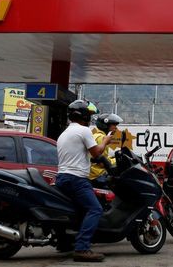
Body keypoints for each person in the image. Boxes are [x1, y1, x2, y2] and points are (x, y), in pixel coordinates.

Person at [55, 100, 113, 262]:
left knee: (77, 210)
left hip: (62, 178)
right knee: (95, 209)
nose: (90, 118)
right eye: (89, 115)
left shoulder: (65, 133)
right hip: (77, 179)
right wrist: (105, 141)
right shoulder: (83, 131)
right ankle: (82, 248)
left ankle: (65, 242)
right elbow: (97, 153)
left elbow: (80, 155)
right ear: (84, 115)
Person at [89, 113, 123, 189]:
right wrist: (117, 161)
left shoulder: (96, 135)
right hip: (98, 176)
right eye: (114, 125)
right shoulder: (102, 138)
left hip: (92, 174)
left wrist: (113, 158)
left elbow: (104, 157)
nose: (116, 128)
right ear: (105, 125)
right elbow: (102, 163)